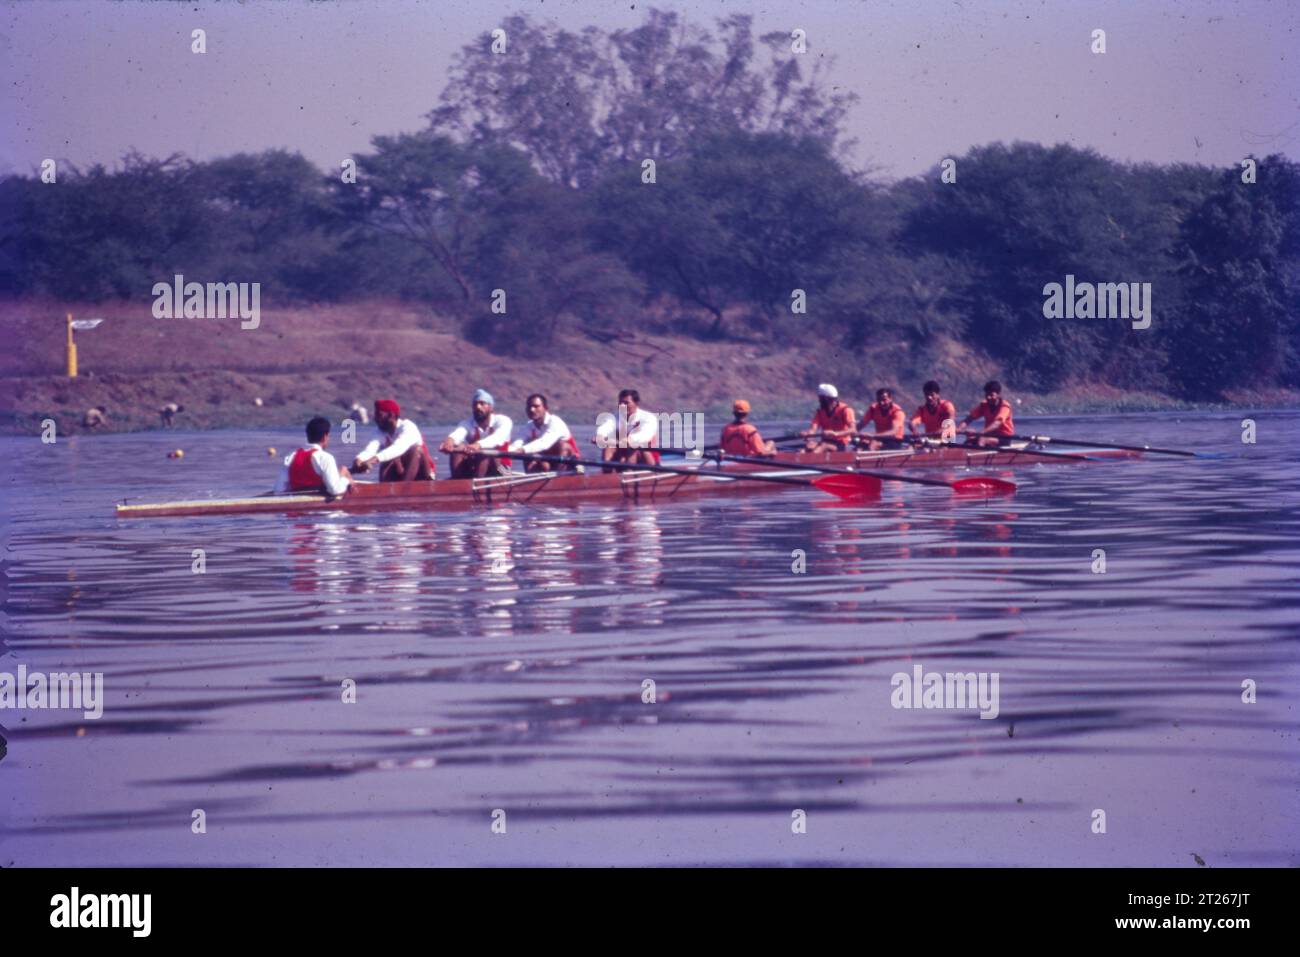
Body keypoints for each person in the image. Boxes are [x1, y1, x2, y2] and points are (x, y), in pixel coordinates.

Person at [353, 398, 436, 481]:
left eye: (379, 415)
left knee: (416, 450)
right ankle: (389, 489)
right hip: (401, 472)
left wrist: (372, 461)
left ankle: (403, 489)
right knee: (387, 459)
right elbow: (370, 449)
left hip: (422, 475)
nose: (375, 419)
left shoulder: (408, 427)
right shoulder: (380, 431)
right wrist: (360, 459)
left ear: (391, 416)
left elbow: (398, 448)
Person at [440, 389, 513, 478]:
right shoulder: (467, 423)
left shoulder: (503, 421)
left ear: (491, 407)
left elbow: (497, 438)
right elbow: (458, 433)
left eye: (482, 403)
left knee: (485, 452)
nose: (478, 407)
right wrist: (450, 441)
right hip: (477, 466)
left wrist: (478, 445)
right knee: (458, 448)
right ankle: (458, 484)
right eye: (475, 404)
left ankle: (476, 486)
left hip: (503, 469)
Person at [276, 416, 352, 496]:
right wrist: (346, 480)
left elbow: (279, 490)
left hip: (296, 502)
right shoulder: (325, 458)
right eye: (329, 436)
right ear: (325, 437)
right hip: (320, 506)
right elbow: (335, 490)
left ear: (308, 435)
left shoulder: (290, 457)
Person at [510, 394, 581, 473]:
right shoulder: (528, 426)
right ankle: (534, 479)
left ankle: (558, 479)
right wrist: (507, 450)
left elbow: (544, 443)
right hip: (547, 462)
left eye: (536, 406)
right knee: (529, 452)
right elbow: (517, 443)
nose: (532, 410)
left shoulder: (555, 422)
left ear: (545, 408)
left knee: (563, 445)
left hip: (569, 464)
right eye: (529, 407)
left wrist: (522, 450)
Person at [593, 388, 659, 468]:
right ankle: (608, 472)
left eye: (626, 403)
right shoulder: (614, 417)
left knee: (633, 447)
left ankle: (628, 472)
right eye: (620, 403)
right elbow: (604, 429)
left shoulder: (648, 418)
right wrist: (600, 435)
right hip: (622, 454)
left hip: (647, 458)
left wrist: (627, 440)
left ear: (636, 403)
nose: (622, 406)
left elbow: (642, 436)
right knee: (609, 447)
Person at [957, 380, 1016, 447]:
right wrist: (959, 429)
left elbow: (997, 423)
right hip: (990, 435)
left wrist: (981, 433)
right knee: (970, 439)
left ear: (998, 395)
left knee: (982, 440)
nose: (988, 397)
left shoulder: (1005, 407)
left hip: (1004, 438)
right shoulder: (984, 405)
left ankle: (978, 456)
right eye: (987, 395)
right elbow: (969, 418)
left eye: (991, 395)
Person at [801, 383, 856, 452]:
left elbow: (853, 429)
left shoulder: (845, 410)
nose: (819, 401)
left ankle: (810, 459)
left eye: (821, 399)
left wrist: (835, 433)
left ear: (827, 399)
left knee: (823, 446)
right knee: (807, 447)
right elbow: (813, 429)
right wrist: (808, 434)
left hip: (842, 444)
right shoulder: (820, 412)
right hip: (826, 442)